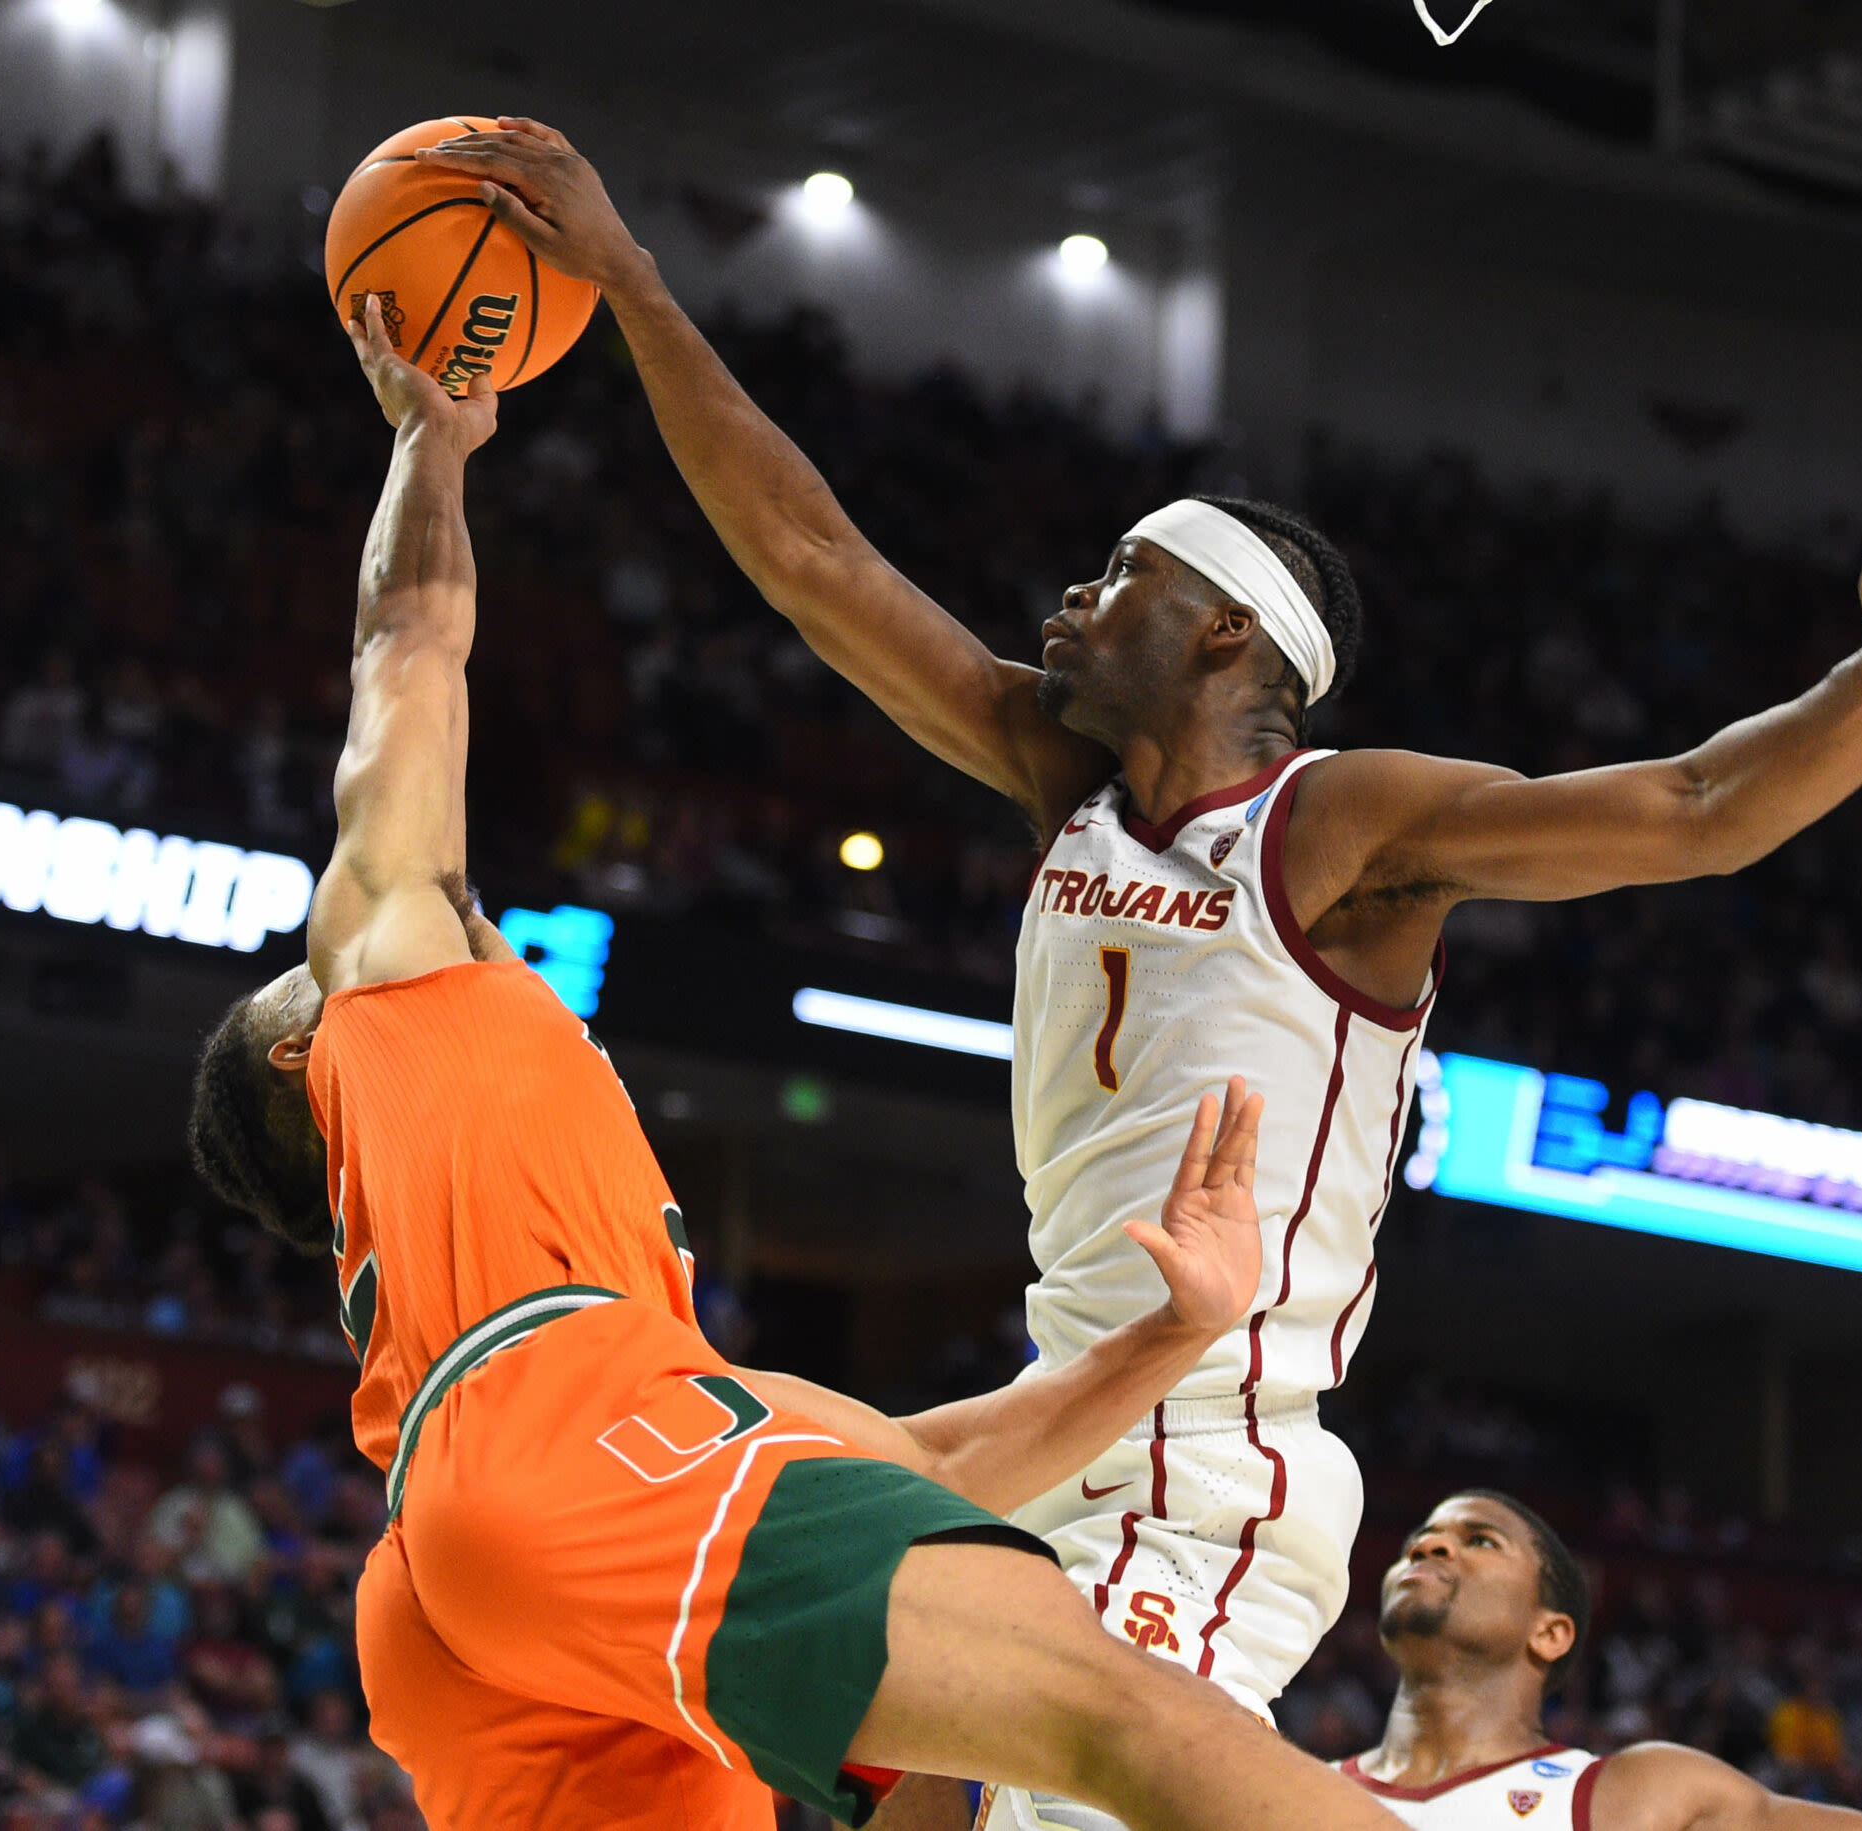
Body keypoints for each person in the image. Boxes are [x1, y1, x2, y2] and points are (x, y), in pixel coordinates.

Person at [412, 120, 1862, 1831]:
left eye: (1122, 570)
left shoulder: (1340, 830)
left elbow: (1700, 809)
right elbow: (816, 566)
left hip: (1210, 1458)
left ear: (1227, 634)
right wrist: (636, 286)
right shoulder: (1073, 787)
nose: (1069, 594)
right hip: (1050, 1418)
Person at [181, 296, 1410, 1831]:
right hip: (553, 1449)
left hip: (460, 1572)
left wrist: (1168, 1342)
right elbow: (408, 644)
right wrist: (432, 446)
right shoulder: (392, 989)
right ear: (308, 1043)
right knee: (1114, 1713)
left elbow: (909, 1461)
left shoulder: (591, 1288)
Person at [1339, 1470, 1862, 1829]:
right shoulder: (1292, 1785)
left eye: (1476, 1539)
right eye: (1419, 1539)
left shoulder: (1644, 1795)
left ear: (1551, 1631)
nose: (1429, 1550)